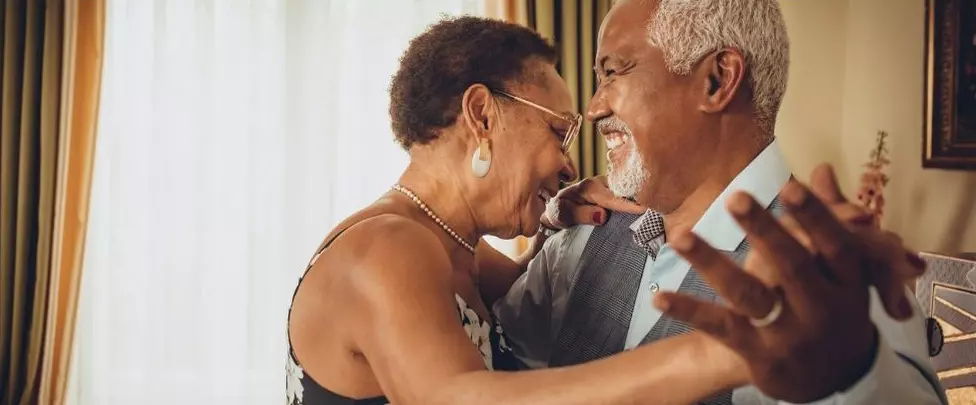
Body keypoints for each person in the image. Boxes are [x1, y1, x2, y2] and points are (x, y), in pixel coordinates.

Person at [487, 0, 948, 404]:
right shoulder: (580, 234)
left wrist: (856, 379)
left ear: (716, 81)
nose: (593, 108)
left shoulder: (830, 279)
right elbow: (491, 362)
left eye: (613, 71)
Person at [286, 16, 756, 405]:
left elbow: (533, 311)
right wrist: (725, 353)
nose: (570, 166)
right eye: (558, 133)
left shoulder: (458, 251)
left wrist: (551, 222)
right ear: (483, 114)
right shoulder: (386, 248)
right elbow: (460, 395)